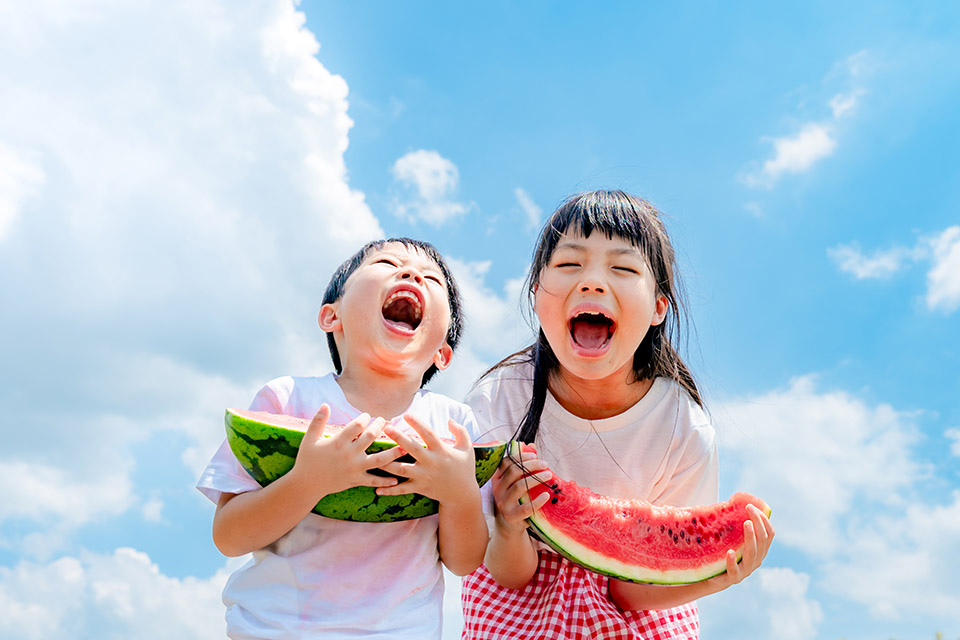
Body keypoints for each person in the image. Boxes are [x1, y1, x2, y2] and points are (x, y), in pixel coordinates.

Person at [461, 190, 775, 639]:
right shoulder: (499, 402)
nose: (591, 282)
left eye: (623, 268)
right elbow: (507, 575)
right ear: (536, 294)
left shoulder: (683, 430)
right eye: (569, 264)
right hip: (517, 597)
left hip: (637, 611)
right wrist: (511, 526)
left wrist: (713, 573)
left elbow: (634, 587)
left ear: (658, 308)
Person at [197, 237, 487, 640]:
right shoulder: (288, 400)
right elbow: (229, 536)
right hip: (278, 631)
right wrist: (309, 482)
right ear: (332, 316)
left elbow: (464, 561)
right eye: (387, 263)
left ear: (443, 352)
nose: (411, 273)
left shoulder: (454, 425)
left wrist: (460, 494)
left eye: (432, 279)